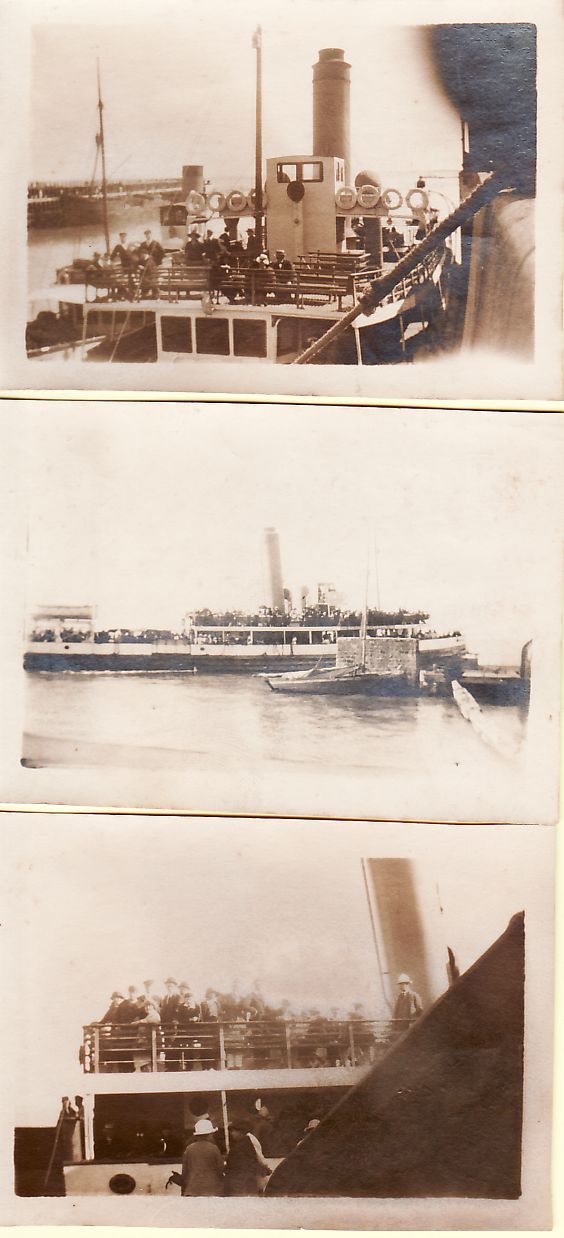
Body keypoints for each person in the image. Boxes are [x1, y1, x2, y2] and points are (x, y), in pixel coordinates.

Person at [224, 1122, 271, 1195]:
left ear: (241, 1132)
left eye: (234, 1131)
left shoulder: (237, 1148)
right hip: (250, 1182)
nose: (232, 1134)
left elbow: (231, 1167)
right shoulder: (248, 1143)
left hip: (241, 1184)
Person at [181, 1119, 225, 1196]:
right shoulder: (214, 1148)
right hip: (212, 1189)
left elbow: (185, 1172)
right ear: (209, 1134)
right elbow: (220, 1169)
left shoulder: (189, 1149)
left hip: (192, 1190)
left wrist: (184, 1189)